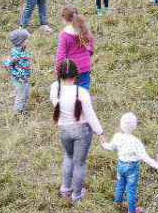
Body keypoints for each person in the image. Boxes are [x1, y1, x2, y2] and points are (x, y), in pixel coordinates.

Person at [51, 59, 107, 206]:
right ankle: (77, 195)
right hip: (81, 130)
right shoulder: (81, 92)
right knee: (80, 163)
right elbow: (90, 115)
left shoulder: (54, 88)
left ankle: (65, 189)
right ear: (77, 75)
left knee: (68, 157)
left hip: (64, 129)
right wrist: (100, 132)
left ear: (59, 74)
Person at [101, 112, 158, 213]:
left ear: (121, 124)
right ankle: (132, 210)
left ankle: (118, 202)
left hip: (121, 165)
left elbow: (111, 147)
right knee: (131, 190)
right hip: (132, 168)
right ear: (135, 126)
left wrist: (103, 143)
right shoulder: (135, 141)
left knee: (120, 184)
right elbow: (144, 157)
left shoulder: (117, 136)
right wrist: (156, 165)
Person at [55, 6, 95, 90]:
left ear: (64, 19)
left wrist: (59, 70)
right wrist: (86, 57)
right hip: (85, 66)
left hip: (71, 69)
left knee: (70, 90)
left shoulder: (64, 35)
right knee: (84, 89)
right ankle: (84, 101)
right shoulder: (84, 29)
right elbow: (91, 48)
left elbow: (61, 56)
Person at [2, 29, 32, 114]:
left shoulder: (23, 51)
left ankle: (23, 109)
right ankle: (18, 112)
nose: (28, 41)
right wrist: (16, 74)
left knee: (26, 94)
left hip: (25, 78)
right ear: (20, 42)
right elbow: (7, 64)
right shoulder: (15, 54)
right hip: (19, 80)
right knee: (21, 96)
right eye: (26, 40)